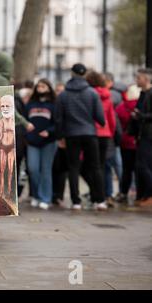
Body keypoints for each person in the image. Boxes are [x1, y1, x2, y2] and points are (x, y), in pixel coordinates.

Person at [55, 63, 106, 210]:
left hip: (71, 134)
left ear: (72, 74)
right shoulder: (92, 93)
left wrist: (60, 136)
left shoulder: (63, 94)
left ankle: (76, 202)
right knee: (95, 167)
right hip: (89, 133)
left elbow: (58, 118)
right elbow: (100, 118)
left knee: (73, 168)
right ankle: (100, 200)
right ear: (84, 75)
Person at [80, 70, 116, 210]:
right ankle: (100, 198)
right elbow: (111, 118)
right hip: (104, 134)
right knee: (98, 167)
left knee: (85, 167)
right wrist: (110, 133)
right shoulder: (107, 95)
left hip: (91, 133)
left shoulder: (86, 94)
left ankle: (96, 195)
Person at [24, 79, 57, 210]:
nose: (40, 88)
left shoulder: (54, 104)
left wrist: (49, 132)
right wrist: (27, 134)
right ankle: (36, 195)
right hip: (32, 141)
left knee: (46, 170)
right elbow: (24, 120)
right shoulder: (30, 104)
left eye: (43, 86)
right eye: (38, 86)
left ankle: (45, 198)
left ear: (49, 88)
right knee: (32, 169)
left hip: (48, 142)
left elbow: (58, 122)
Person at [115, 85, 140, 204]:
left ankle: (124, 192)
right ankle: (140, 193)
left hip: (125, 142)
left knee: (126, 170)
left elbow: (117, 125)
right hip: (139, 141)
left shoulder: (121, 108)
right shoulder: (141, 106)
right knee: (139, 169)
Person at [131, 68, 152, 207]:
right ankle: (144, 195)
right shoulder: (143, 94)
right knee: (141, 166)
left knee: (143, 166)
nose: (136, 80)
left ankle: (149, 195)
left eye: (138, 78)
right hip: (142, 134)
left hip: (149, 135)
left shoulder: (150, 94)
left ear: (146, 79)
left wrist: (140, 116)